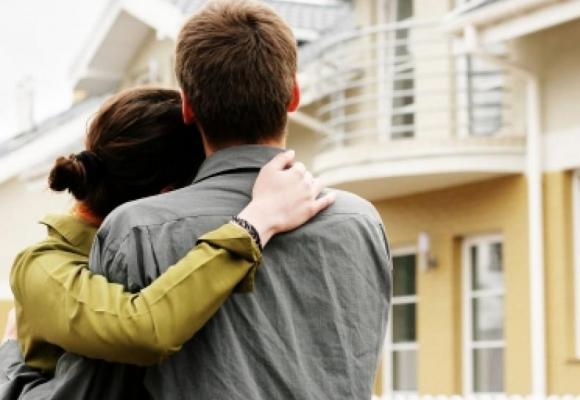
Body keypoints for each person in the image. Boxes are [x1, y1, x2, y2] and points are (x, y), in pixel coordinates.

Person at [82, 1, 392, 399]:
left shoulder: (136, 232)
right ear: (294, 95)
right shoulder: (360, 223)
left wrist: (12, 352)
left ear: (187, 107)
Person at [0, 87, 333, 398]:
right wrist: (255, 222)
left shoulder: (178, 251)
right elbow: (140, 330)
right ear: (168, 196)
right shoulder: (43, 265)